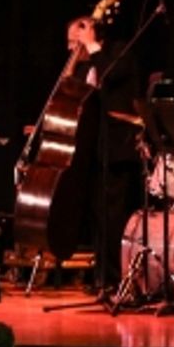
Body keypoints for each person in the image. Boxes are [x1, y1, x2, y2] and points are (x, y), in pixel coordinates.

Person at [66, 16, 140, 291]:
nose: (73, 48)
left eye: (76, 41)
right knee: (98, 216)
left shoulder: (119, 51)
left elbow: (113, 75)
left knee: (113, 217)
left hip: (118, 148)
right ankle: (102, 277)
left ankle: (116, 278)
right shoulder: (87, 64)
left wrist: (92, 46)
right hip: (94, 149)